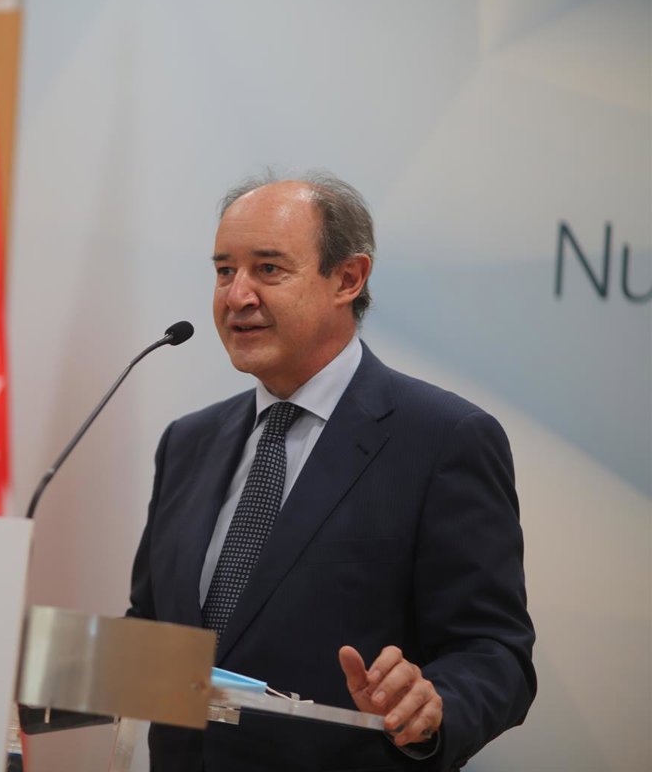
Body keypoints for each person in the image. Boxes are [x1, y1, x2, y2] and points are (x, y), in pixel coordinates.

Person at [127, 172, 536, 771]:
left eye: (268, 269)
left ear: (348, 279)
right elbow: (152, 624)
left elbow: (495, 651)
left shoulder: (444, 439)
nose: (237, 296)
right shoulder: (188, 442)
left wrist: (432, 706)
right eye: (224, 270)